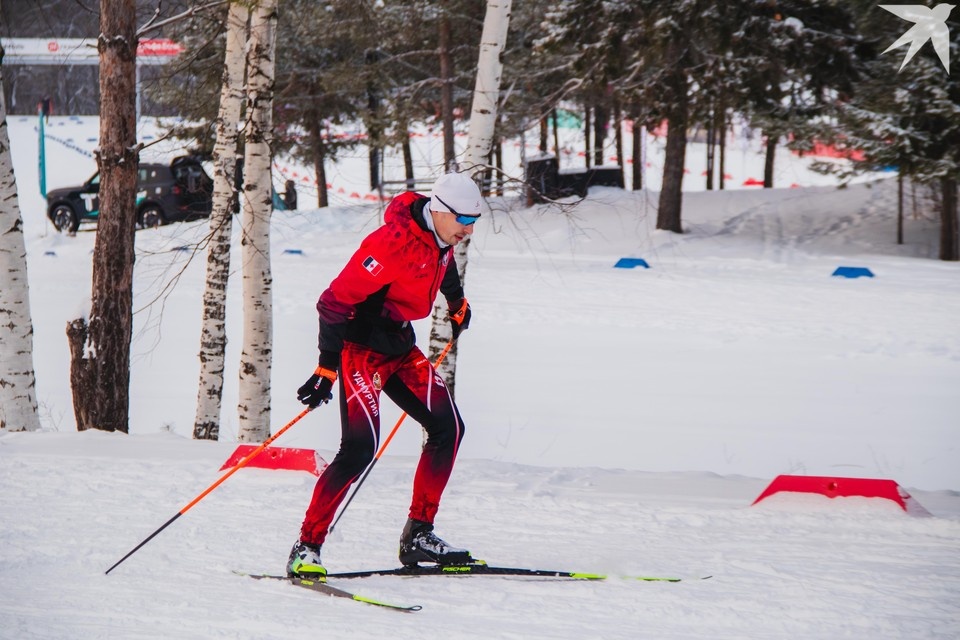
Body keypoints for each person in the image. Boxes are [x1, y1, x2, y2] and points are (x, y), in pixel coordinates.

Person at [288, 171, 481, 579]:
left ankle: (419, 535)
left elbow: (441, 264)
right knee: (359, 448)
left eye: (475, 220)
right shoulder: (389, 245)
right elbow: (332, 302)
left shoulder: (443, 236)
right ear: (441, 211)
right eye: (464, 219)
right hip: (360, 350)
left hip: (398, 345)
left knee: (449, 427)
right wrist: (326, 366)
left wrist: (456, 301)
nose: (469, 228)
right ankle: (307, 547)